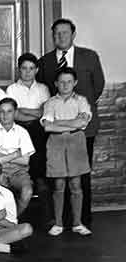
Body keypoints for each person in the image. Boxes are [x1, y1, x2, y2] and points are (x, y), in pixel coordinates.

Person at [37, 18, 105, 226]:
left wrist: (79, 116)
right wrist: (65, 123)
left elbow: (98, 87)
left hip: (84, 130)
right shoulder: (45, 61)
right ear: (52, 36)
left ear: (73, 35)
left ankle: (81, 220)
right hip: (55, 131)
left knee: (80, 175)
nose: (61, 37)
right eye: (57, 33)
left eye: (65, 33)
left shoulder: (89, 56)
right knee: (57, 177)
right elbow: (47, 93)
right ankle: (60, 220)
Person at [40, 67, 92, 236]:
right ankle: (59, 223)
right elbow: (47, 126)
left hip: (76, 142)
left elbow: (82, 123)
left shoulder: (81, 101)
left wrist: (59, 123)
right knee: (59, 184)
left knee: (76, 184)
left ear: (75, 82)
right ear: (56, 83)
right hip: (56, 143)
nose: (65, 85)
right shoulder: (50, 103)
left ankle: (77, 223)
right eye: (61, 82)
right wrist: (73, 122)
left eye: (69, 81)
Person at [6, 53, 51, 225]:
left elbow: (45, 112)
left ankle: (48, 218)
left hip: (40, 133)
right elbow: (14, 114)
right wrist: (34, 112)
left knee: (40, 170)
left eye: (31, 68)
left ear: (36, 70)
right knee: (22, 163)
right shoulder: (12, 89)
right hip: (20, 130)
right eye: (24, 68)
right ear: (19, 70)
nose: (27, 72)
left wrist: (25, 111)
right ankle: (13, 216)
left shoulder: (43, 89)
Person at [0, 98, 35, 216]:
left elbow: (25, 161)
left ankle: (13, 218)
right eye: (2, 111)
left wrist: (1, 156)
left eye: (9, 111)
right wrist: (16, 154)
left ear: (15, 113)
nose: (5, 115)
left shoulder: (22, 132)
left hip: (19, 172)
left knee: (27, 192)